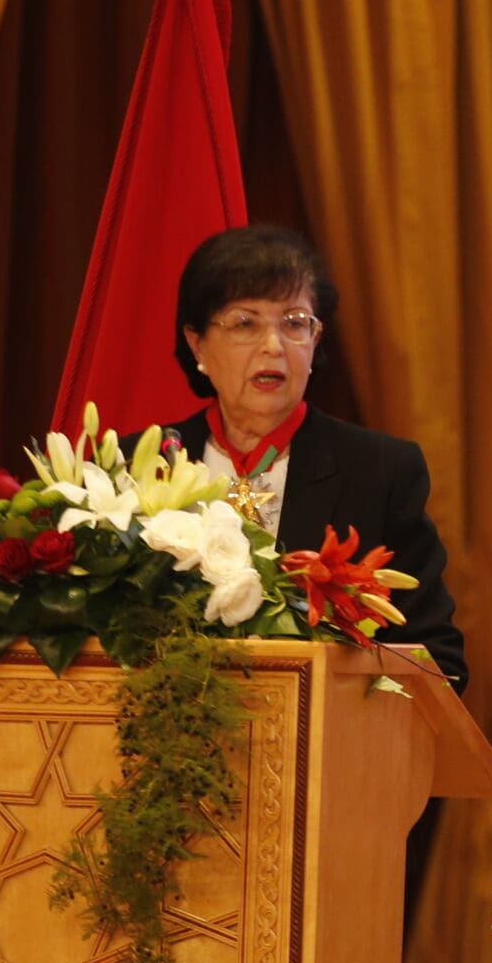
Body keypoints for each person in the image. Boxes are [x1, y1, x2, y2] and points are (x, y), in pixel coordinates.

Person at [165, 225, 468, 691]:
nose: (273, 345)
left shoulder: (379, 472)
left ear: (315, 341)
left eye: (294, 322)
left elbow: (435, 660)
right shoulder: (142, 466)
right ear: (197, 343)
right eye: (245, 323)